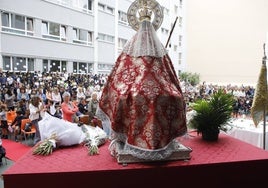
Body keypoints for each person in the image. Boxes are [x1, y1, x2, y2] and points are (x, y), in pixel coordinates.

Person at [99, 0, 187, 161]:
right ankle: (127, 140)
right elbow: (120, 75)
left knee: (170, 97)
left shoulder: (160, 52)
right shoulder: (131, 50)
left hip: (154, 91)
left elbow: (170, 77)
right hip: (141, 92)